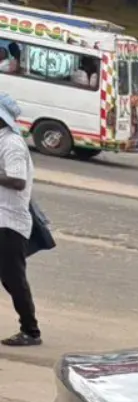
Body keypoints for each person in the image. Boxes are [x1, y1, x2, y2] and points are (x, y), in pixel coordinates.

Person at [0, 94, 40, 347]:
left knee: (14, 279)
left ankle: (31, 331)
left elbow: (18, 181)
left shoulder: (12, 144)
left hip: (10, 223)